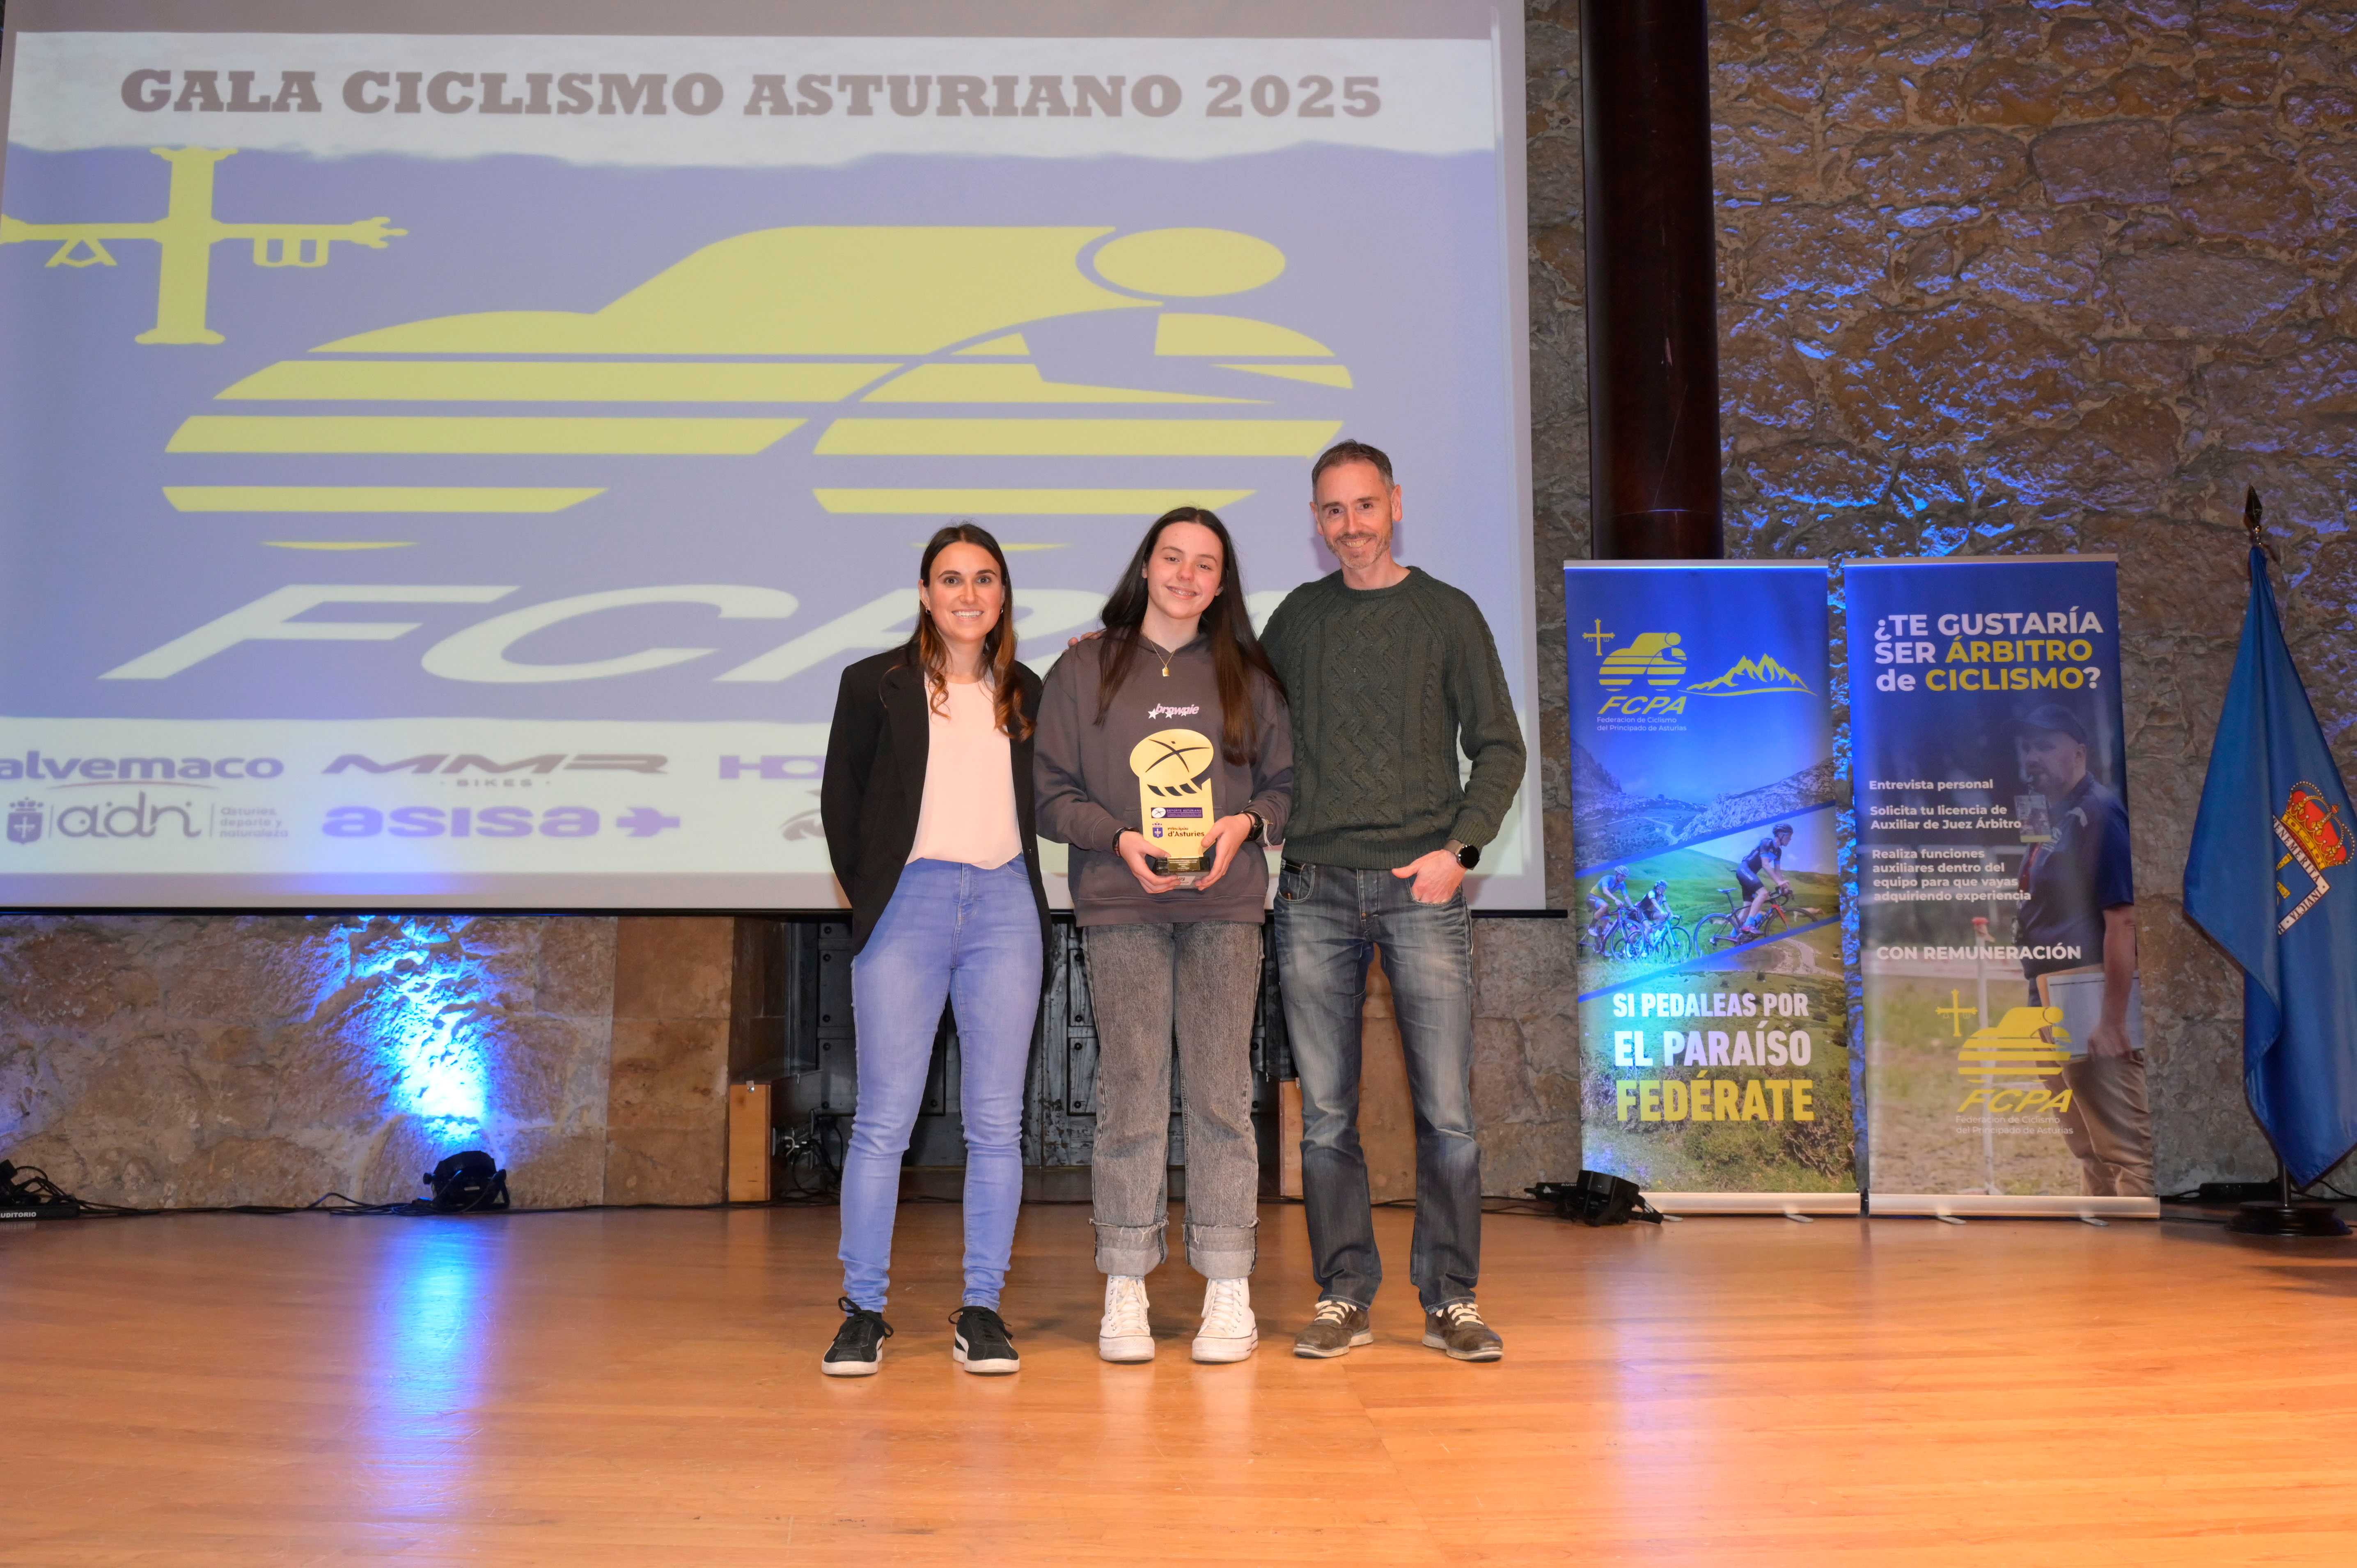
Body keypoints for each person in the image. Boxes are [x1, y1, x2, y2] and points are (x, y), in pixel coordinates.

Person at [1260, 439, 1526, 1363]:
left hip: (1423, 889)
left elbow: (1500, 745)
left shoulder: (1448, 613)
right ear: (1316, 519)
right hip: (1313, 889)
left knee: (1447, 1114)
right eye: (1331, 511)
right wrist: (1119, 652)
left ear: (1396, 503)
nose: (1349, 527)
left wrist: (1461, 848)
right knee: (1327, 1115)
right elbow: (1235, 714)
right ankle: (1344, 1293)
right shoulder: (1296, 618)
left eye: (1364, 506)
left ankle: (1452, 1298)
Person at [1034, 506, 1294, 1364]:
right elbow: (1052, 793)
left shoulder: (1251, 675)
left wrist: (1247, 824)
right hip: (1121, 903)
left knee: (1223, 1092)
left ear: (1222, 582)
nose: (1186, 574)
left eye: (1205, 563)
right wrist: (1118, 838)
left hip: (1224, 908)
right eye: (1172, 557)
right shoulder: (1083, 669)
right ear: (1147, 565)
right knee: (1133, 1090)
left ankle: (1228, 1280)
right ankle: (1126, 1279)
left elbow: (1288, 784)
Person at [817, 524, 1049, 1378]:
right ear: (925, 593)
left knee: (997, 1123)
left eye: (985, 579)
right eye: (951, 579)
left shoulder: (1027, 689)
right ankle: (863, 1310)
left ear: (1002, 594)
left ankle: (982, 1306)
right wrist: (878, 898)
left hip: (1003, 908)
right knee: (884, 1120)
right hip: (907, 908)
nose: (968, 594)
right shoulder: (871, 685)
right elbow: (842, 805)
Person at [2013, 703, 2149, 1197]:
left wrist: (2112, 1021)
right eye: (2027, 746)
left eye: (2045, 745)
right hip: (2048, 990)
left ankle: (2138, 1267)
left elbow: (2124, 920)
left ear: (2079, 752)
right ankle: (2104, 1252)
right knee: (2087, 1143)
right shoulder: (2052, 815)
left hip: (2087, 992)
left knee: (2125, 1149)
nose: (2033, 756)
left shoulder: (2101, 814)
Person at [1735, 823, 1794, 936]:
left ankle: (1734, 937)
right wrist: (1779, 882)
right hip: (1745, 870)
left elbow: (1778, 871)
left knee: (1747, 910)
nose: (1790, 839)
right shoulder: (1766, 843)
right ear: (1781, 835)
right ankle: (1748, 925)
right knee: (1763, 894)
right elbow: (1766, 865)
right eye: (1789, 836)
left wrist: (1783, 887)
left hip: (1750, 874)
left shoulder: (1778, 852)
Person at [1586, 866, 1633, 950]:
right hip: (1592, 897)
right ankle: (1592, 927)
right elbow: (1605, 891)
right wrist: (1616, 899)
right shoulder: (1607, 878)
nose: (1624, 878)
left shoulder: (1622, 884)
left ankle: (1600, 947)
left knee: (1606, 921)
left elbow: (1626, 897)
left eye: (1625, 877)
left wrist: (1632, 907)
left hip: (1601, 901)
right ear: (1617, 874)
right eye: (1622, 876)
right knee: (1605, 906)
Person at [1637, 879, 1676, 947]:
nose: (1664, 890)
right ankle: (1641, 947)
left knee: (1663, 916)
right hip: (1642, 912)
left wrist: (1672, 915)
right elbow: (1654, 903)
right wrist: (1662, 911)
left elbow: (1666, 905)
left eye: (1665, 888)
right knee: (1648, 928)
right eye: (1663, 888)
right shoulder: (1652, 893)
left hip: (1650, 913)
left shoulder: (1663, 897)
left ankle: (1656, 937)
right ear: (1658, 887)